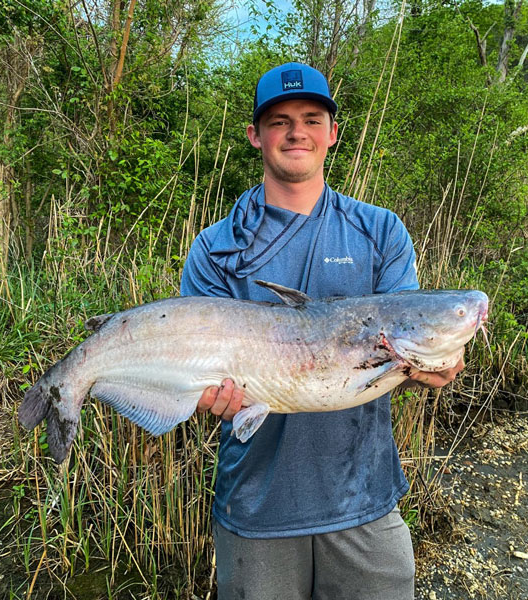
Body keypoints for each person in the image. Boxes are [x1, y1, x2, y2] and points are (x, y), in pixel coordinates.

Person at [180, 62, 464, 600]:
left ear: (332, 133)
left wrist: (436, 366)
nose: (296, 132)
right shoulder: (217, 246)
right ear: (255, 135)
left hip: (365, 500)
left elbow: (415, 345)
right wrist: (204, 396)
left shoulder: (380, 231)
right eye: (280, 120)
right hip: (256, 508)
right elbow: (194, 384)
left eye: (312, 118)